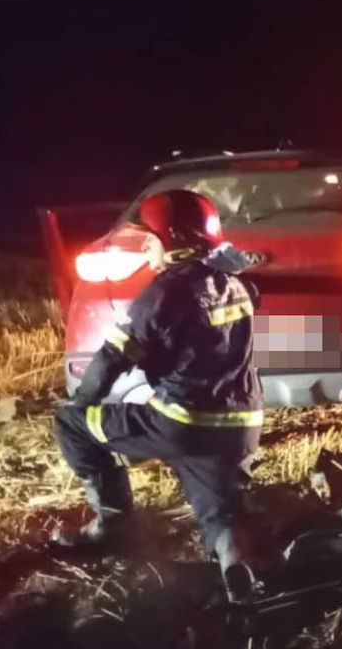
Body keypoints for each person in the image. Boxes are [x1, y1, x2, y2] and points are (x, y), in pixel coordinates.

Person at [52, 189, 266, 600]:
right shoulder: (234, 285)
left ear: (173, 239)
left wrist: (84, 401)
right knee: (218, 516)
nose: (147, 248)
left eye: (150, 239)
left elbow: (112, 358)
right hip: (239, 427)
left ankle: (112, 527)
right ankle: (237, 570)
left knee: (71, 424)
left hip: (181, 424)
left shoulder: (167, 292)